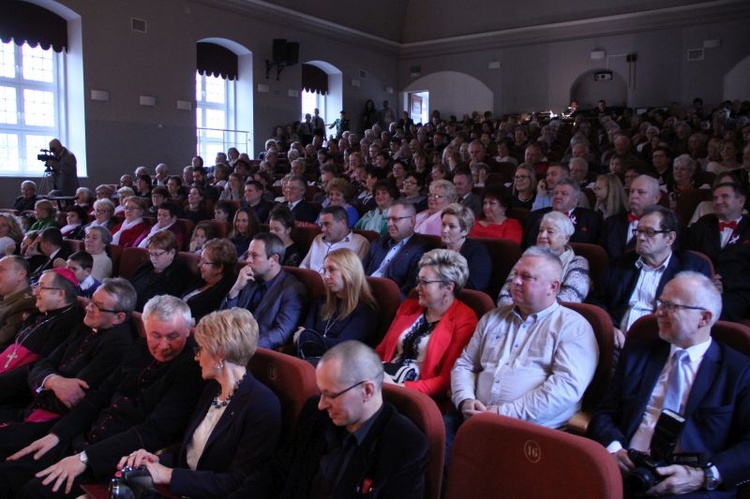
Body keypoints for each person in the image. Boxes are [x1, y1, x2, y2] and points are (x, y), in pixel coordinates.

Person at [0, 295, 203, 498]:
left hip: (116, 459)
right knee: (10, 471)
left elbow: (154, 433)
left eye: (173, 336)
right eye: (155, 335)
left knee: (34, 493)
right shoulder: (139, 348)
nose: (163, 345)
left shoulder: (193, 369)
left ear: (187, 330)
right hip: (84, 438)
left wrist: (85, 458)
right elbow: (99, 396)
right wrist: (57, 434)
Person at [588, 271, 750, 498]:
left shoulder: (739, 370)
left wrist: (704, 476)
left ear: (704, 318)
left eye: (670, 306)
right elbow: (604, 413)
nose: (658, 312)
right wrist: (615, 449)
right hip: (628, 472)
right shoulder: (637, 354)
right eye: (660, 303)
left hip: (693, 487)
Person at [117, 308, 281, 498]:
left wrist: (169, 475)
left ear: (219, 353)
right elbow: (193, 454)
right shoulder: (212, 389)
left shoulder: (262, 404)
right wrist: (157, 460)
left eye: (200, 349)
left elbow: (241, 482)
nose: (196, 356)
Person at [238, 340, 429, 498]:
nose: (322, 404)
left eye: (331, 395)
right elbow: (278, 471)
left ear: (367, 390)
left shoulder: (406, 445)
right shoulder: (315, 413)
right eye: (321, 393)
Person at [449, 247, 598, 442]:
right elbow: (465, 364)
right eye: (515, 275)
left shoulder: (573, 328)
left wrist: (504, 413)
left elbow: (565, 389)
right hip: (474, 420)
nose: (515, 282)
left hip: (531, 433)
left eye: (526, 277)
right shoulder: (492, 318)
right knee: (428, 438)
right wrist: (465, 399)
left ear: (553, 287)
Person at [0, 278, 136, 423]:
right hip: (35, 399)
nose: (88, 308)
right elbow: (44, 363)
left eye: (97, 306)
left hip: (54, 418)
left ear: (119, 317)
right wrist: (52, 380)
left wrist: (43, 382)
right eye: (91, 302)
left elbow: (73, 396)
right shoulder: (87, 325)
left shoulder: (118, 344)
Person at [597, 206, 712, 345]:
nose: (640, 237)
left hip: (664, 342)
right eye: (638, 231)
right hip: (616, 339)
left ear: (670, 238)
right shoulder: (619, 264)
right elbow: (598, 301)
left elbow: (696, 314)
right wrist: (611, 328)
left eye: (649, 232)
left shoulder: (692, 268)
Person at [0, 268, 84, 404]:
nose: (35, 292)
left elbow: (38, 367)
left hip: (19, 389)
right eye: (36, 286)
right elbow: (14, 345)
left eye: (41, 287)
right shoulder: (41, 312)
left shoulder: (68, 324)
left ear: (60, 294)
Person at [223, 232, 306, 350]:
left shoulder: (292, 289)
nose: (248, 260)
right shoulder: (249, 278)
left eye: (255, 255)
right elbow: (223, 318)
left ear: (274, 259)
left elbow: (281, 333)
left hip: (257, 352)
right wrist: (236, 289)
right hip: (230, 344)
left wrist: (244, 348)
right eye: (248, 254)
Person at [295, 249, 379, 358]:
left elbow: (342, 348)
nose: (326, 276)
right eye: (325, 270)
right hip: (310, 361)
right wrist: (309, 338)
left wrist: (308, 337)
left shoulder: (366, 310)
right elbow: (304, 342)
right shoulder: (321, 301)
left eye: (332, 270)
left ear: (350, 271)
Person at [687, 182, 750, 321]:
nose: (718, 201)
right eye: (715, 198)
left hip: (739, 291)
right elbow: (689, 257)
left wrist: (725, 284)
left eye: (724, 197)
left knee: (713, 310)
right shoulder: (702, 225)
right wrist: (706, 282)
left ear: (741, 201)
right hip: (701, 287)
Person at [498, 212, 591, 304]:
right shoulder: (527, 257)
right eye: (541, 231)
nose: (542, 236)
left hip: (554, 317)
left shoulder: (577, 262)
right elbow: (505, 293)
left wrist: (530, 310)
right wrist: (514, 311)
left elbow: (571, 298)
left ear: (566, 238)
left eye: (550, 232)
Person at [523, 178, 603, 247]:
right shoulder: (536, 216)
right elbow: (528, 246)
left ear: (575, 201)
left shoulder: (591, 219)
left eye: (564, 194)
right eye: (555, 193)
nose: (558, 196)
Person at [601, 174, 663, 258]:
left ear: (656, 198)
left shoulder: (664, 225)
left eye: (641, 192)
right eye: (632, 191)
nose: (634, 196)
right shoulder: (612, 222)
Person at [131, 231, 192, 311]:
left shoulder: (180, 275)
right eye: (151, 254)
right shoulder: (145, 266)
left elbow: (167, 305)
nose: (153, 258)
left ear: (172, 252)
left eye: (157, 254)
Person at [182, 238, 238, 321]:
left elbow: (213, 319)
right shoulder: (200, 279)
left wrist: (190, 322)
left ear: (219, 268)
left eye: (204, 262)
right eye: (200, 260)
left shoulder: (224, 290)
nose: (199, 265)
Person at [299, 206, 370, 271]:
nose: (323, 229)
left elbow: (356, 275)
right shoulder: (318, 238)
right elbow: (304, 265)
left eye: (327, 224)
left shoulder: (360, 242)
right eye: (321, 225)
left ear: (343, 223)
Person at [440, 204, 492, 292]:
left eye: (452, 226)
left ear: (465, 231)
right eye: (443, 224)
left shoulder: (478, 252)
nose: (445, 230)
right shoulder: (437, 249)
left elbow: (475, 285)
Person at [0, 256, 36, 347]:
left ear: (21, 274)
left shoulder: (26, 303)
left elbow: (3, 339)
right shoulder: (5, 295)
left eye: (1, 270)